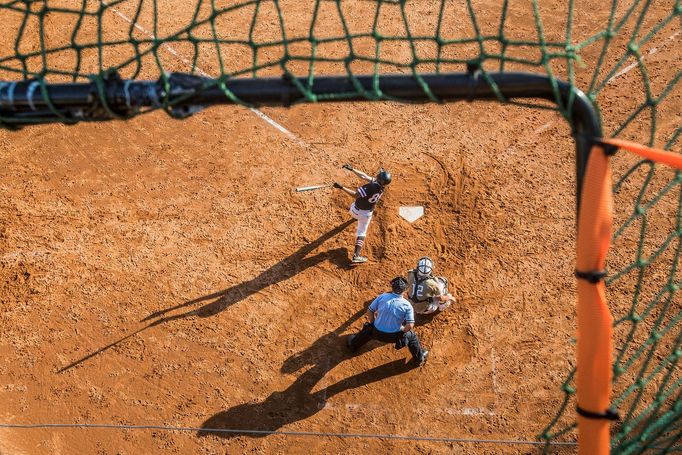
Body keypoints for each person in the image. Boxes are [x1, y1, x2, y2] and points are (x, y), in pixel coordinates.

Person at [347, 276, 429, 366]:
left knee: (368, 329)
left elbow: (370, 311)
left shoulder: (382, 297)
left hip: (376, 333)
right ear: (405, 290)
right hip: (395, 337)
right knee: (412, 336)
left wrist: (373, 324)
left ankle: (353, 345)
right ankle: (419, 359)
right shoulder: (407, 305)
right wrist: (402, 331)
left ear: (392, 287)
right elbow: (410, 325)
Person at [333, 164, 391, 264]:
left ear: (379, 179)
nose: (377, 175)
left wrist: (342, 187)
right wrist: (352, 169)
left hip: (353, 210)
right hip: (365, 215)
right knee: (361, 233)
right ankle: (356, 255)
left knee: (358, 205)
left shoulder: (371, 186)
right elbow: (364, 176)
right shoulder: (381, 187)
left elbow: (356, 195)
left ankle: (354, 218)